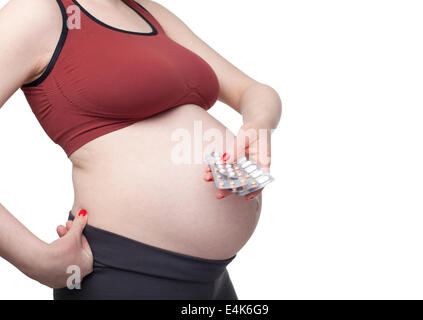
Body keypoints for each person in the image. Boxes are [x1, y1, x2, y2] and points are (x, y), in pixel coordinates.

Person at [0, 0, 282, 299]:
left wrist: (258, 124)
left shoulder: (147, 12)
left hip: (213, 279)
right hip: (122, 271)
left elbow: (254, 90)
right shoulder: (38, 12)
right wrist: (36, 261)